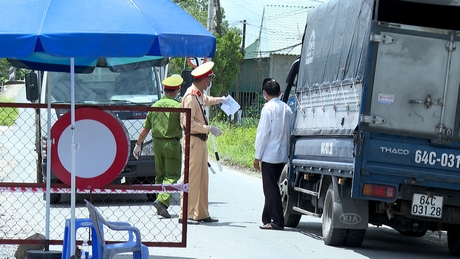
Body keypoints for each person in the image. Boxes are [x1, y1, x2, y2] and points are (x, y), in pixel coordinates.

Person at [179, 61, 229, 224]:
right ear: (202, 79)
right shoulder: (190, 97)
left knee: (202, 179)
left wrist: (221, 100)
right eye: (209, 79)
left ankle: (200, 213)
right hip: (193, 141)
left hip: (200, 142)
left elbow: (207, 100)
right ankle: (186, 213)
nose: (210, 82)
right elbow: (188, 123)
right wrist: (208, 128)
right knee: (191, 178)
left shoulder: (198, 94)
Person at [133, 75, 183, 218]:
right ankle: (161, 201)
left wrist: (138, 144)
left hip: (156, 143)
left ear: (164, 90)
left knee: (159, 174)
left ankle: (159, 202)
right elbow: (185, 124)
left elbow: (145, 129)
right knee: (172, 174)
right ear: (176, 91)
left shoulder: (154, 106)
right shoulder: (178, 106)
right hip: (171, 143)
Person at [254, 78, 292, 230]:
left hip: (269, 155)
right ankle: (267, 217)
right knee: (272, 188)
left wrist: (257, 156)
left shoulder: (267, 109)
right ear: (280, 92)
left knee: (270, 189)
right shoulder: (287, 109)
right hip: (283, 154)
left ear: (264, 93)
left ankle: (276, 221)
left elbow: (263, 134)